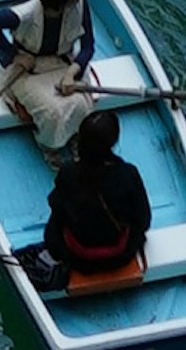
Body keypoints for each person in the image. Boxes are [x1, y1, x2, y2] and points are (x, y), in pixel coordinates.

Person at [42, 104, 153, 302]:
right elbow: (143, 220)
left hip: (76, 257)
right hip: (121, 255)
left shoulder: (68, 173)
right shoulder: (128, 173)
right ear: (113, 141)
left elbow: (56, 207)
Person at [0, 0, 100, 149]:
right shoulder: (24, 15)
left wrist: (72, 73)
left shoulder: (81, 6)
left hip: (64, 65)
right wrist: (16, 56)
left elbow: (88, 45)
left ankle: (71, 136)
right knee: (53, 113)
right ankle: (48, 144)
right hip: (27, 70)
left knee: (82, 104)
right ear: (62, 3)